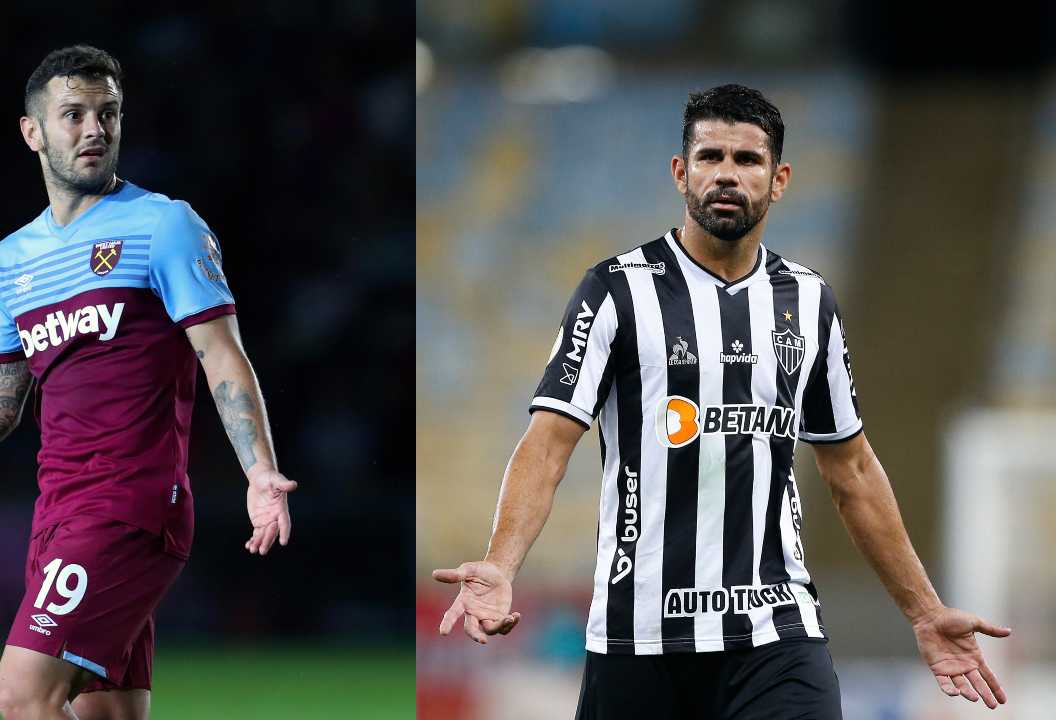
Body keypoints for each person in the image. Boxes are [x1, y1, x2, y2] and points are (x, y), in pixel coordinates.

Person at [432, 84, 1010, 718]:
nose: (727, 175)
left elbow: (852, 469)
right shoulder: (618, 290)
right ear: (682, 172)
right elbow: (547, 445)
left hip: (776, 633)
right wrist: (501, 562)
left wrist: (925, 612)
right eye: (710, 157)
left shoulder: (808, 301)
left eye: (747, 159)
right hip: (639, 637)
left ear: (779, 178)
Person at [0, 45, 296, 720]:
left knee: (22, 692)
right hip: (58, 516)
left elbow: (220, 354)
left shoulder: (163, 225)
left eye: (108, 113)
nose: (95, 129)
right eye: (73, 115)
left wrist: (259, 470)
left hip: (128, 509)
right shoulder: (13, 262)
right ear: (32, 131)